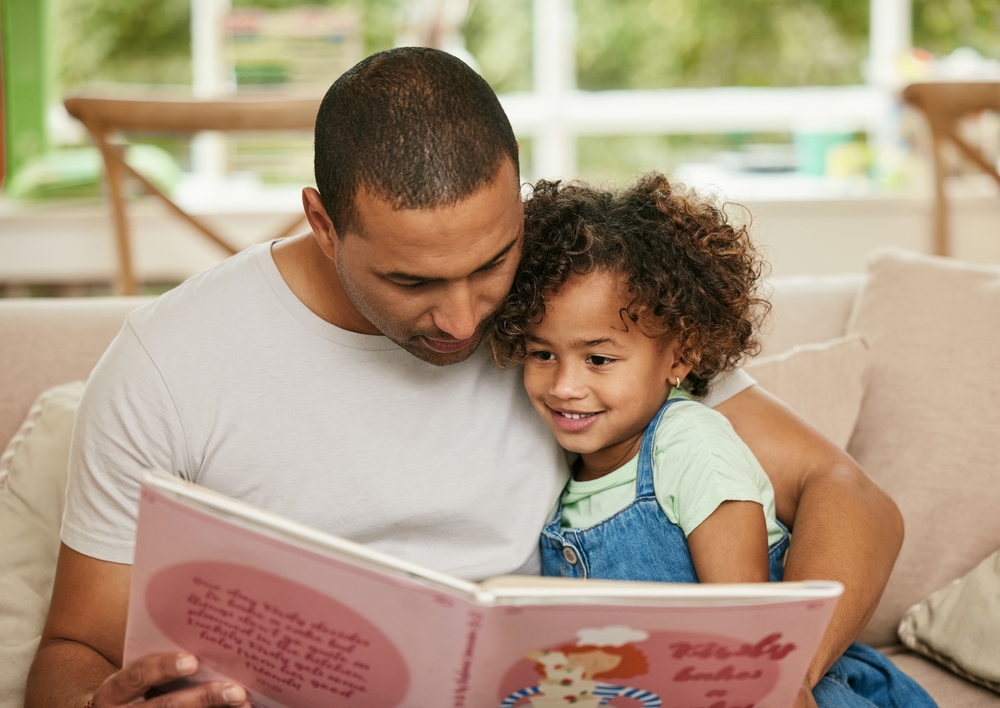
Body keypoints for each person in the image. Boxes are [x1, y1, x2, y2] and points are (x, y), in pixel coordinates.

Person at [26, 48, 902, 708]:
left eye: (491, 261)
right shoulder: (169, 363)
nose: (466, 319)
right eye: (411, 283)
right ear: (323, 223)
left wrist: (779, 680)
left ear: (518, 200)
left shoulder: (573, 305)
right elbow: (75, 647)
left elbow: (847, 494)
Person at [488, 174, 934, 708]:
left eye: (599, 359)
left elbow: (748, 636)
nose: (565, 385)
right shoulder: (568, 470)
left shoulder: (690, 445)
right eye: (542, 354)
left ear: (680, 357)